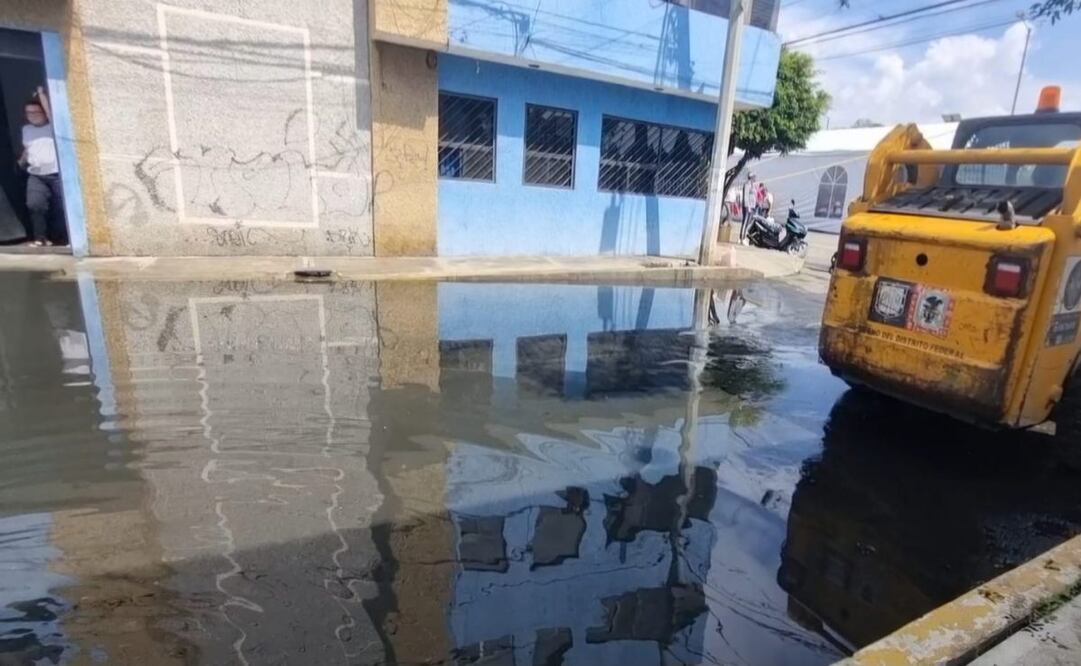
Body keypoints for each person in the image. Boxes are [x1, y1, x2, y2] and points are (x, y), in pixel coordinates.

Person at [19, 87, 65, 247]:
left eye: (36, 113)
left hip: (56, 173)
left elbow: (50, 111)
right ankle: (41, 238)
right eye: (28, 113)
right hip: (36, 174)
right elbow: (29, 147)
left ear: (44, 113)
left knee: (60, 207)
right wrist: (22, 161)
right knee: (35, 204)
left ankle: (63, 238)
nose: (32, 116)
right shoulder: (26, 129)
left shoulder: (53, 126)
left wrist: (41, 94)